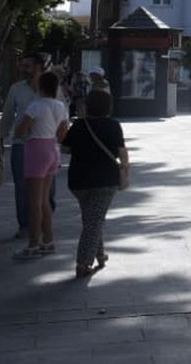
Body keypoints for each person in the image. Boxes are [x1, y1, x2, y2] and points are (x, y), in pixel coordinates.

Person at [61, 89, 127, 278]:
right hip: (105, 181)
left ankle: (100, 254)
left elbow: (65, 148)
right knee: (93, 220)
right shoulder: (113, 125)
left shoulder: (79, 125)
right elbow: (122, 152)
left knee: (91, 218)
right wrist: (125, 169)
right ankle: (83, 263)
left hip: (79, 181)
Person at [12, 71, 69, 260]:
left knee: (33, 202)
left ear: (41, 86)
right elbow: (63, 131)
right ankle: (48, 240)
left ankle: (34, 243)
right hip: (53, 148)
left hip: (36, 149)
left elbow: (20, 130)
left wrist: (23, 133)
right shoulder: (61, 106)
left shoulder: (35, 106)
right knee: (44, 199)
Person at [0, 53, 55, 240]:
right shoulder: (16, 89)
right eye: (21, 65)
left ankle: (44, 225)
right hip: (21, 145)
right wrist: (0, 137)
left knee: (48, 190)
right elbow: (7, 116)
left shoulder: (53, 88)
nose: (23, 70)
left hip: (46, 144)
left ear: (39, 67)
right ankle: (25, 225)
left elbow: (61, 114)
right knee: (22, 188)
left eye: (27, 66)